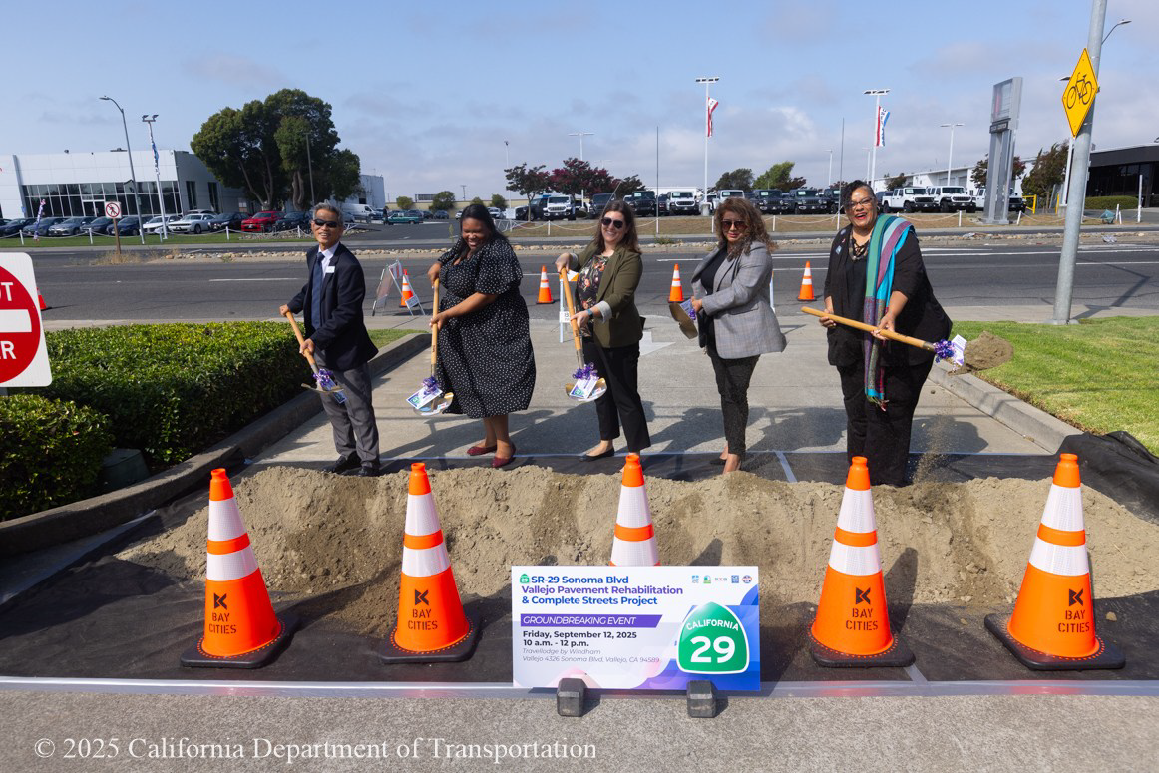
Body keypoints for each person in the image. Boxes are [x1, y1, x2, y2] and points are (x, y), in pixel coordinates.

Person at [818, 180, 952, 486]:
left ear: (876, 203)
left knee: (889, 415)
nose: (859, 207)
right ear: (845, 209)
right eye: (852, 204)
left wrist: (890, 313)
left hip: (899, 342)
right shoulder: (841, 239)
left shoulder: (898, 236)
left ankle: (885, 488)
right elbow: (830, 284)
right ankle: (859, 479)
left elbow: (909, 276)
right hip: (853, 342)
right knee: (858, 413)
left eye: (865, 200)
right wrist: (830, 312)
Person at [425, 204, 535, 468]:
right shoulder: (465, 244)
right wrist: (439, 263)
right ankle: (490, 438)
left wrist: (447, 314)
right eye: (466, 231)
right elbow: (452, 251)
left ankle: (505, 443)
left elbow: (486, 294)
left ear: (490, 228)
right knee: (474, 383)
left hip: (494, 328)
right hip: (467, 330)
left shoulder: (498, 251)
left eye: (478, 231)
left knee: (492, 385)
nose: (471, 236)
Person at [280, 202, 381, 477]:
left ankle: (370, 461)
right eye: (319, 222)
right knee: (333, 406)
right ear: (311, 225)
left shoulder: (349, 265)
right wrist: (293, 304)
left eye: (331, 224)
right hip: (320, 349)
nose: (324, 228)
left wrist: (316, 339)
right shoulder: (313, 255)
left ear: (341, 229)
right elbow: (312, 288)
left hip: (346, 349)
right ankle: (347, 455)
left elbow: (347, 312)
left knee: (357, 406)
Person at [689, 197, 786, 474]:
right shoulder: (723, 249)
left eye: (739, 223)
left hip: (744, 334)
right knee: (726, 391)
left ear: (750, 224)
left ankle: (736, 455)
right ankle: (732, 443)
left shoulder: (756, 251)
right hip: (717, 332)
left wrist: (703, 304)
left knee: (734, 393)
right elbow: (708, 282)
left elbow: (742, 291)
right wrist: (695, 303)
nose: (732, 228)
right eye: (727, 222)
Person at [555, 201, 651, 461]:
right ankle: (605, 442)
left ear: (627, 228)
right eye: (606, 221)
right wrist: (567, 257)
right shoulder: (595, 249)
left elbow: (621, 296)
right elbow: (577, 260)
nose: (610, 227)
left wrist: (590, 312)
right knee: (599, 390)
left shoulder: (630, 258)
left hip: (617, 336)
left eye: (617, 223)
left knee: (624, 395)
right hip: (589, 334)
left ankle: (634, 453)